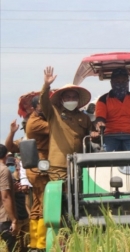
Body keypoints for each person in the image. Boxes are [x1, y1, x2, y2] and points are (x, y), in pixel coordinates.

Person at [40, 66, 93, 181]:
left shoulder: (84, 118)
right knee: (60, 195)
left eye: (74, 97)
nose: (71, 99)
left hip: (79, 164)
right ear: (61, 99)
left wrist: (95, 135)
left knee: (79, 196)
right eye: (68, 97)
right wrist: (46, 85)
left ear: (78, 99)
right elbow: (43, 101)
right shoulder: (53, 112)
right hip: (58, 165)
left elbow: (92, 136)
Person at [25, 95, 50, 251]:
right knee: (44, 203)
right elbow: (56, 127)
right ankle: (42, 243)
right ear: (33, 108)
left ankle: (34, 242)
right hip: (41, 166)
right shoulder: (36, 123)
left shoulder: (33, 120)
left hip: (36, 166)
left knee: (36, 204)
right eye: (41, 105)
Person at [6, 155, 30, 252]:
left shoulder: (24, 178)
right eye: (10, 165)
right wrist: (14, 191)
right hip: (16, 218)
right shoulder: (8, 178)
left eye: (15, 165)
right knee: (16, 246)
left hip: (25, 216)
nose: (15, 168)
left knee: (26, 245)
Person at [0, 144, 19, 252]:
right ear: (6, 155)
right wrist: (14, 221)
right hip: (3, 218)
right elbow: (5, 197)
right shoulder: (4, 170)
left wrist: (12, 189)